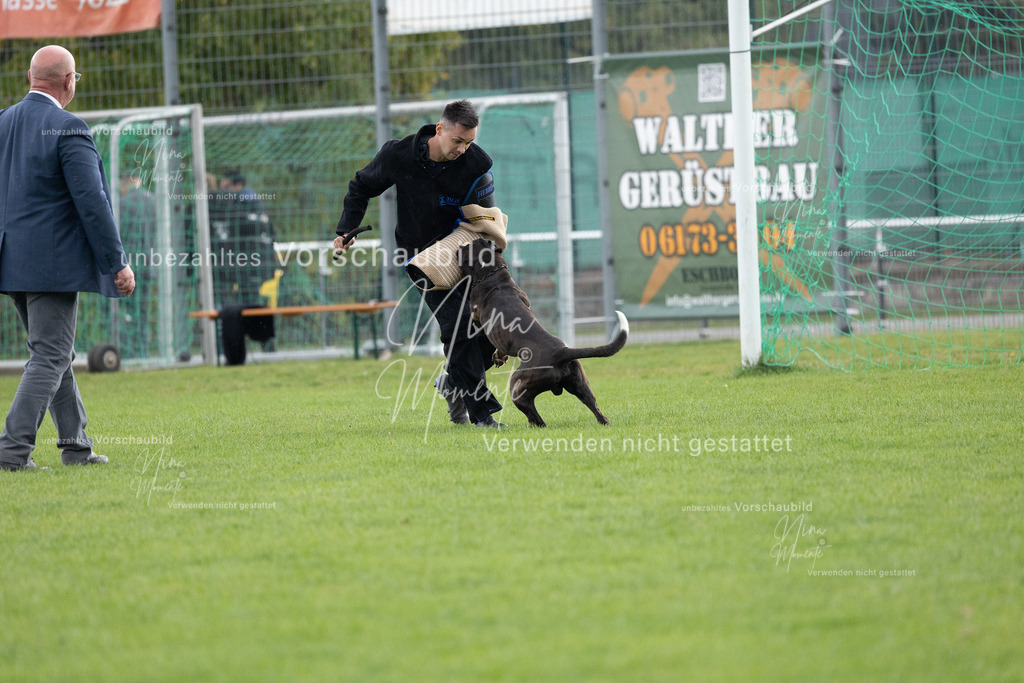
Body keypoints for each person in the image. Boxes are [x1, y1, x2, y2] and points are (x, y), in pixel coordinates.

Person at [0, 45, 136, 471]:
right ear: (68, 81)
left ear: (30, 77)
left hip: (11, 261)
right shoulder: (68, 126)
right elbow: (92, 203)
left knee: (53, 352)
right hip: (50, 266)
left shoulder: (3, 122)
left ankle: (76, 447)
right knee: (51, 355)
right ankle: (10, 451)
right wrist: (117, 262)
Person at [333, 99, 504, 428]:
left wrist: (494, 258)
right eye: (457, 141)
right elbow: (361, 186)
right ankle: (481, 414)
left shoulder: (477, 164)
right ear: (439, 130)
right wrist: (345, 229)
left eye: (469, 142)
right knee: (457, 325)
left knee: (493, 327)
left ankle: (453, 382)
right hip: (420, 257)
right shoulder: (400, 155)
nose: (463, 150)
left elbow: (488, 221)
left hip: (464, 252)